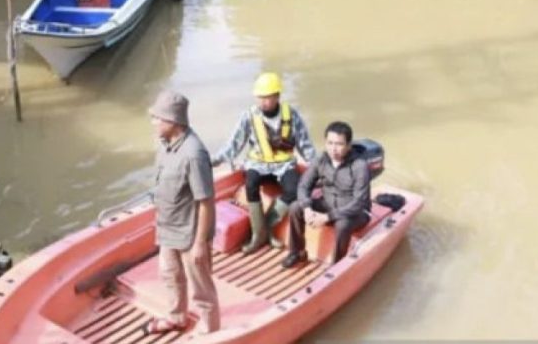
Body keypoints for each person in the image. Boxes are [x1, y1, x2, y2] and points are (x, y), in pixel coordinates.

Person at [211, 72, 316, 253]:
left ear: (277, 96)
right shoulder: (248, 117)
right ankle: (258, 236)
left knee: (294, 190)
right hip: (258, 164)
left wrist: (319, 166)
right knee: (250, 182)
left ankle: (268, 225)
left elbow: (305, 145)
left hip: (284, 165)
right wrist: (214, 160)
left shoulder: (291, 115)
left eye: (267, 98)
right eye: (259, 97)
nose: (262, 102)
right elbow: (234, 145)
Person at [143, 90, 220, 336]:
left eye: (157, 118)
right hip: (168, 228)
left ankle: (210, 330)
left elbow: (206, 201)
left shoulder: (193, 154)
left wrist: (200, 243)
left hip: (189, 233)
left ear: (173, 121)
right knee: (170, 276)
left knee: (201, 287)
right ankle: (177, 317)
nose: (153, 123)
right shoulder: (166, 146)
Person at [282, 121, 371, 269]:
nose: (333, 149)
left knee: (343, 224)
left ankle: (337, 266)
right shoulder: (321, 160)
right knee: (295, 207)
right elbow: (304, 185)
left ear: (349, 145)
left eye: (339, 144)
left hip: (355, 212)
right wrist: (307, 208)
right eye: (330, 143)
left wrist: (327, 217)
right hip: (328, 203)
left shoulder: (359, 166)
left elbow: (359, 203)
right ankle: (297, 252)